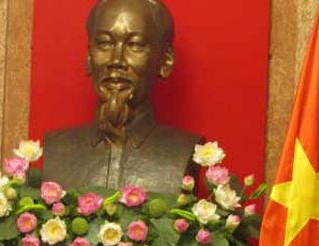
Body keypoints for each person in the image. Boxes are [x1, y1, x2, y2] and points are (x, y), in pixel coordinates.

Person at [43, 0, 202, 193]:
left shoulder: (185, 150)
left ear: (165, 61)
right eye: (104, 43)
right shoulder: (57, 149)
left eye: (134, 45)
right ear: (88, 57)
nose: (116, 60)